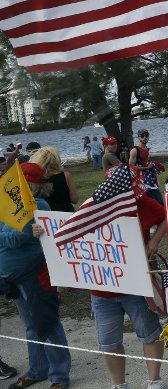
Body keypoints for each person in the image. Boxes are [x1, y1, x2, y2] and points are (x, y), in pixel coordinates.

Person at [85, 165, 167, 389]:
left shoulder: (142, 202)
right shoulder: (91, 206)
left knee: (149, 333)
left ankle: (154, 380)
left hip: (135, 282)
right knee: (109, 342)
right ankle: (118, 384)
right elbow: (68, 229)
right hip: (102, 287)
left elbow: (165, 216)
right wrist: (42, 230)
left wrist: (155, 240)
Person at [2, 162, 71, 389]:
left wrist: (10, 234)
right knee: (31, 324)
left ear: (29, 185)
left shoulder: (37, 206)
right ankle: (38, 369)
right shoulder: (9, 205)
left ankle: (59, 376)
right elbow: (10, 236)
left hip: (34, 272)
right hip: (14, 275)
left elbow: (13, 239)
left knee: (47, 322)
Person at [30, 147, 79, 213]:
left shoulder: (35, 178)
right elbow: (74, 199)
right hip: (66, 214)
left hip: (46, 216)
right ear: (56, 159)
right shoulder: (66, 176)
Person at [129, 129, 164, 206]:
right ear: (138, 137)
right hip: (141, 182)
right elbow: (131, 167)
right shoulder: (135, 150)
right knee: (148, 205)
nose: (144, 137)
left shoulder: (148, 150)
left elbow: (149, 165)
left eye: (146, 135)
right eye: (142, 136)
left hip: (151, 180)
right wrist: (147, 168)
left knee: (159, 204)